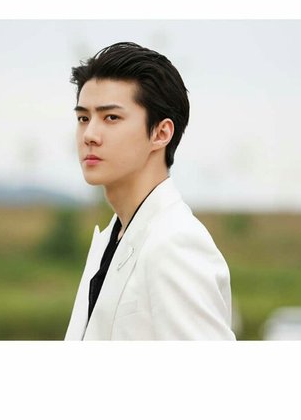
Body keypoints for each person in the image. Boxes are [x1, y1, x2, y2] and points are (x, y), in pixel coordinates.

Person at [64, 42, 235, 340]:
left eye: (111, 118)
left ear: (161, 133)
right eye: (83, 118)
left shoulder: (175, 244)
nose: (89, 135)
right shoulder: (114, 237)